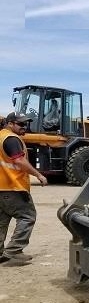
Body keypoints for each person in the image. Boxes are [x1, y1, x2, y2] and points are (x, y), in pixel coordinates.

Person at [0, 112, 48, 264]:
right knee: (27, 216)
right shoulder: (11, 139)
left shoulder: (1, 136)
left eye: (25, 123)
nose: (24, 127)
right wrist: (38, 175)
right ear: (10, 124)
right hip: (13, 187)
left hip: (1, 187)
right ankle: (13, 251)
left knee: (2, 221)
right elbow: (19, 161)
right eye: (20, 124)